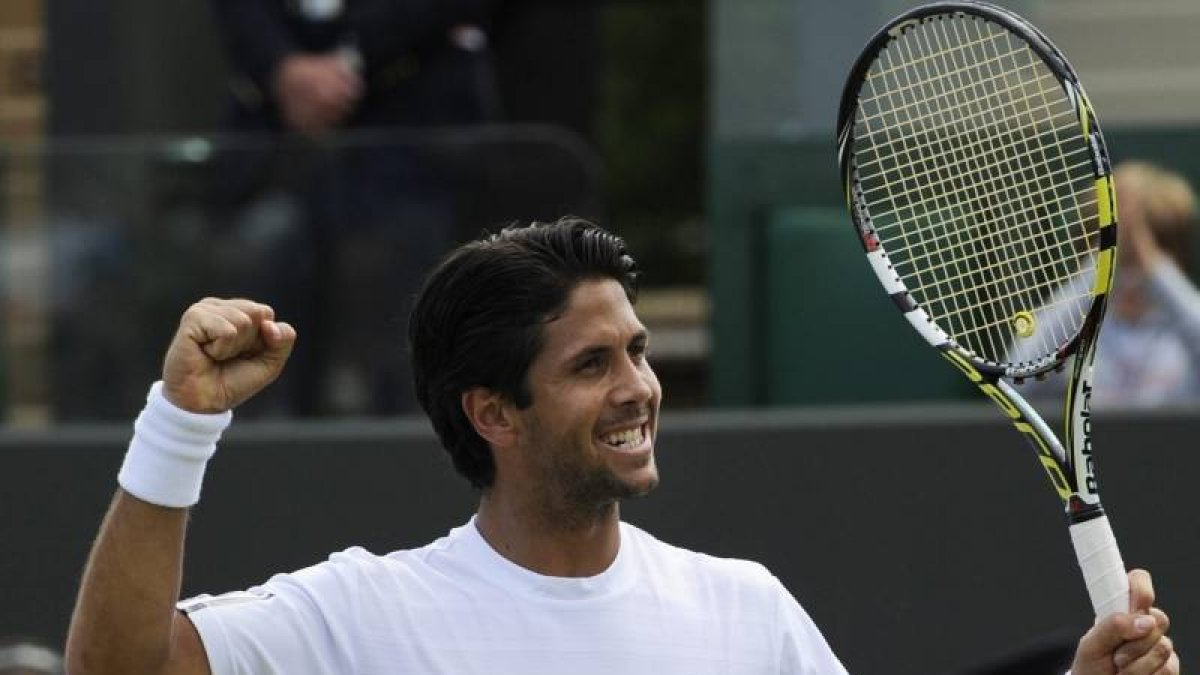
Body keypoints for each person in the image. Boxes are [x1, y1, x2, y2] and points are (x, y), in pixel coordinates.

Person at [65, 218, 1178, 674]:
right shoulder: (361, 615)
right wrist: (180, 426)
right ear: (491, 412)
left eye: (638, 352)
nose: (639, 386)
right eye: (591, 364)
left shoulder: (748, 611)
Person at [204, 0, 503, 417]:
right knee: (264, 278)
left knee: (410, 324)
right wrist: (283, 68)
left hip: (418, 146)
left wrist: (351, 58)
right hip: (271, 148)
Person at [1010, 161, 1200, 408]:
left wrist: (1152, 265)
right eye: (1122, 251)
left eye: (1157, 244)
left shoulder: (1185, 326)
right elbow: (1017, 379)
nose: (1131, 264)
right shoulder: (1072, 329)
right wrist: (1102, 266)